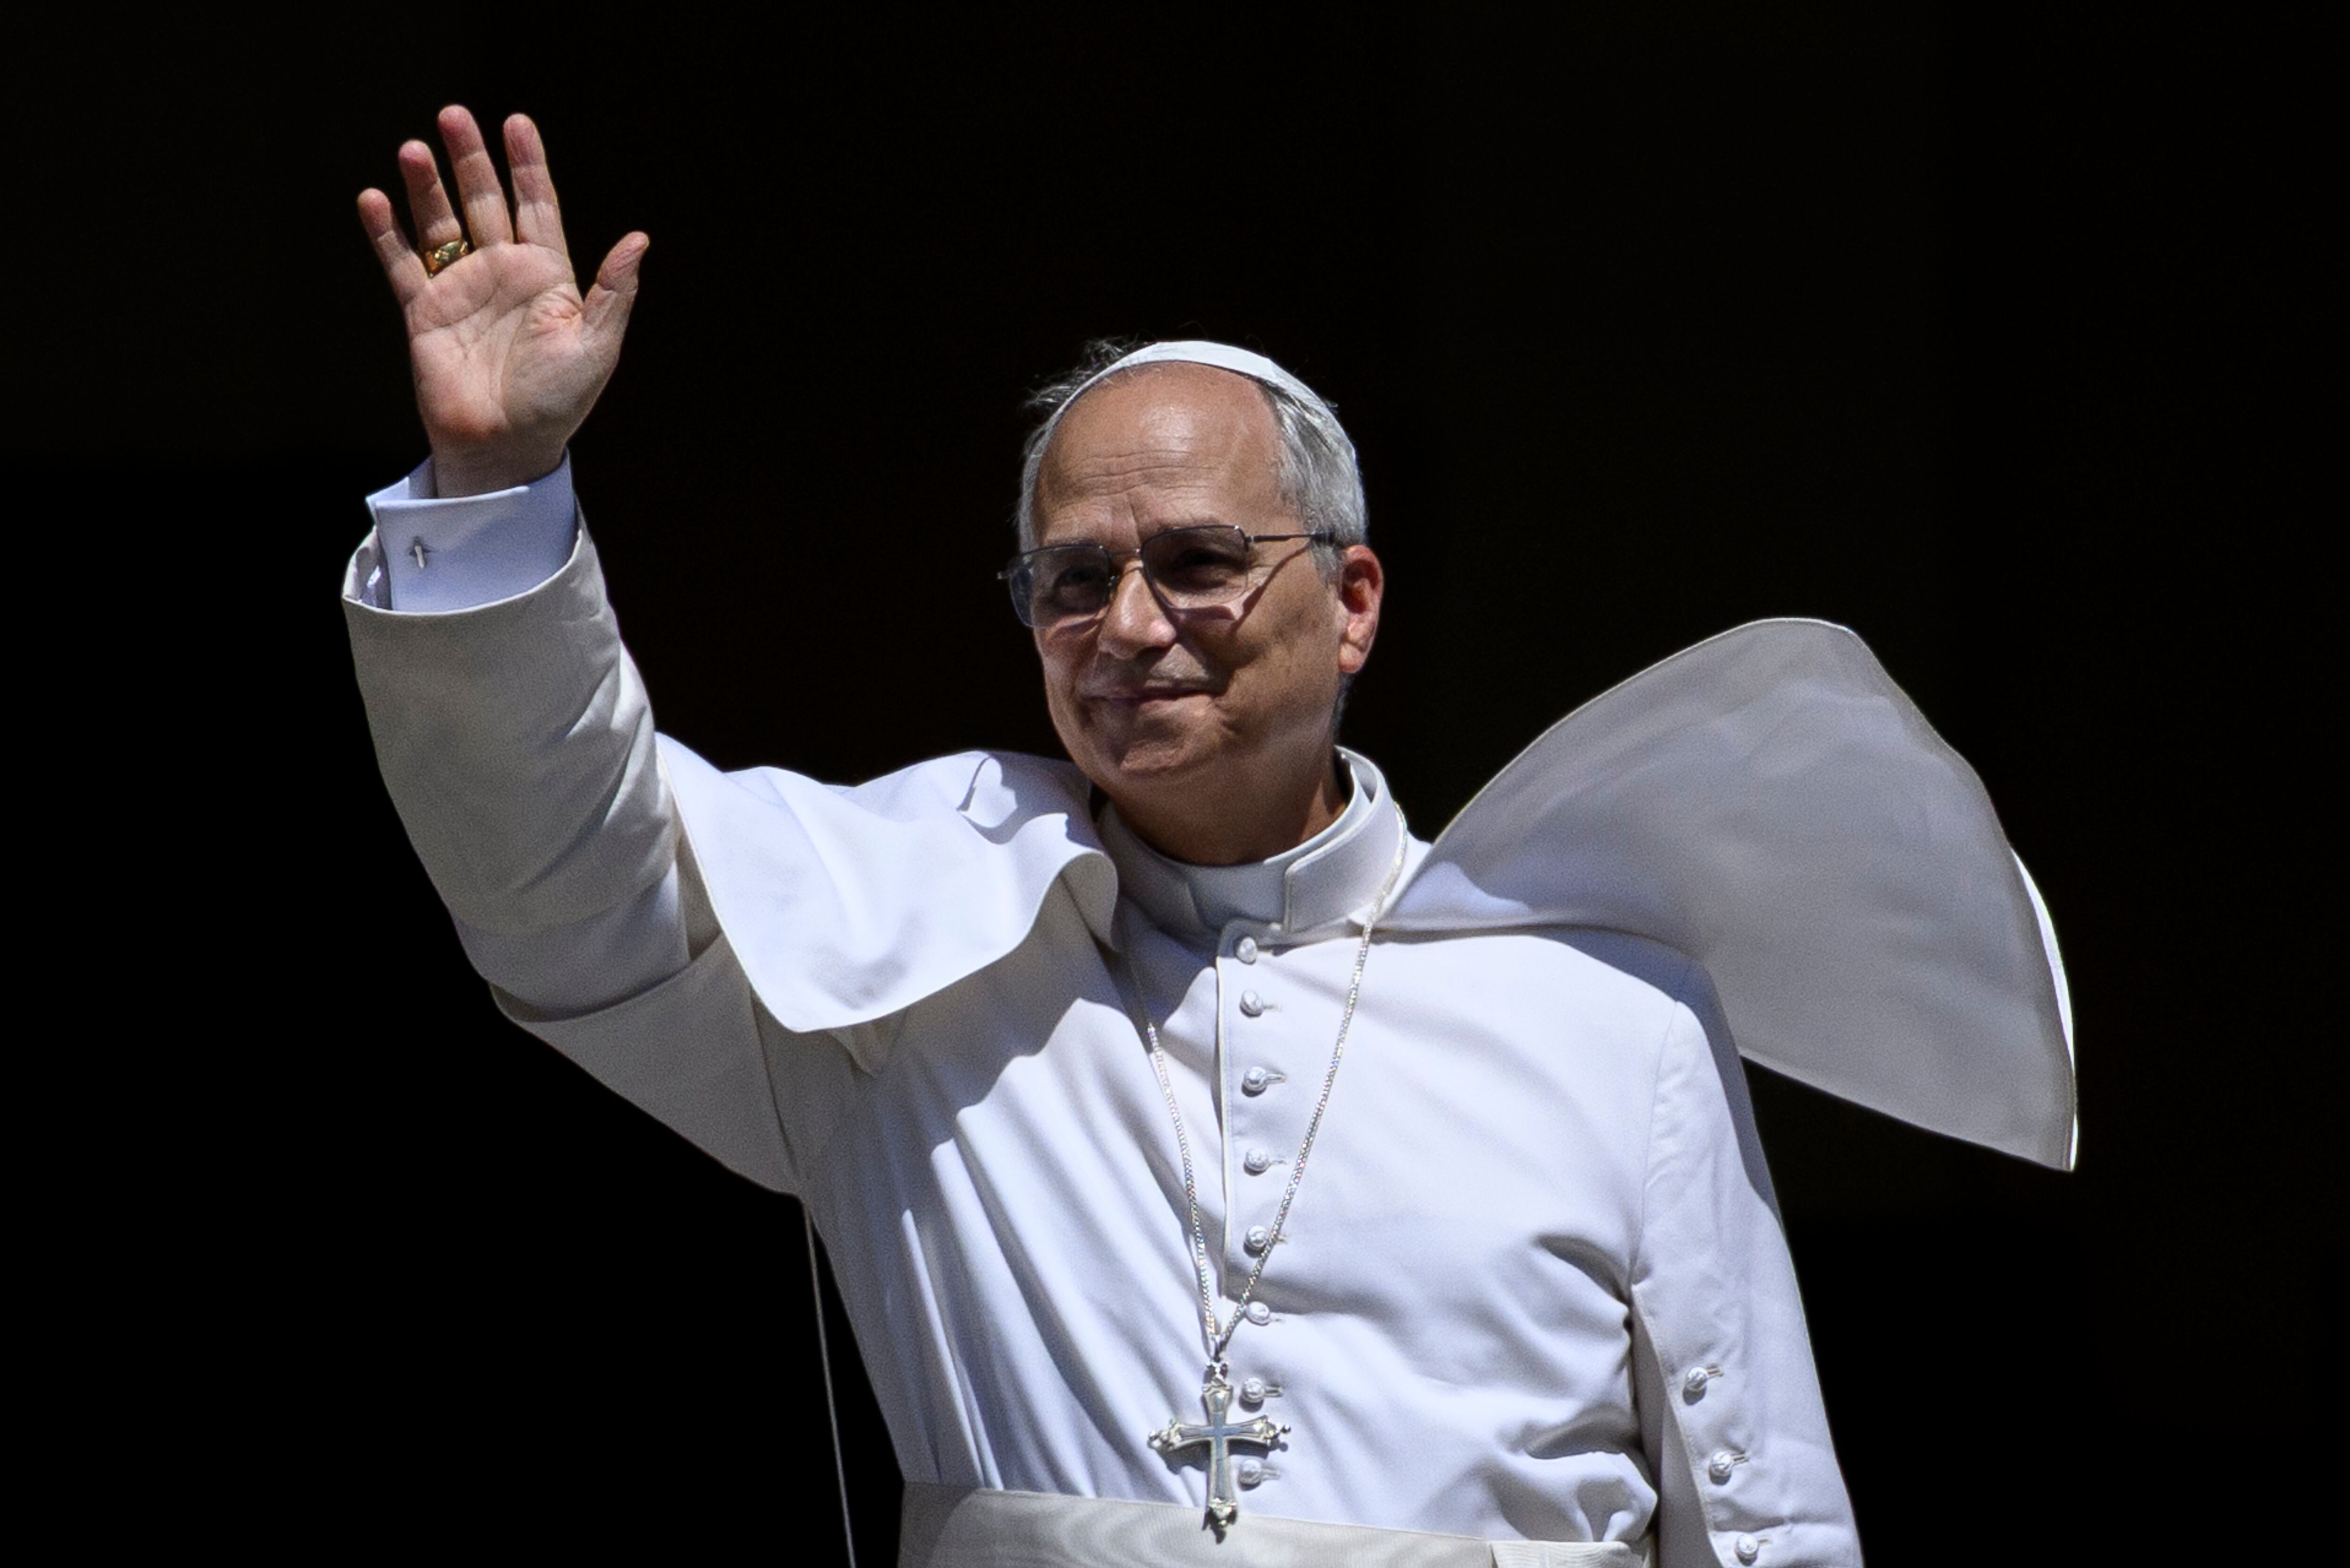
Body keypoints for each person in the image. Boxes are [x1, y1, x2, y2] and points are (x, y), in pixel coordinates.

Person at [348, 108, 2074, 1568]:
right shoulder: (895, 971)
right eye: (1073, 582)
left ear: (1355, 602)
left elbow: (1766, 1525)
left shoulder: (1613, 1014)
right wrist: (498, 494)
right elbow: (560, 876)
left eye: (1194, 560)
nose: (1131, 624)